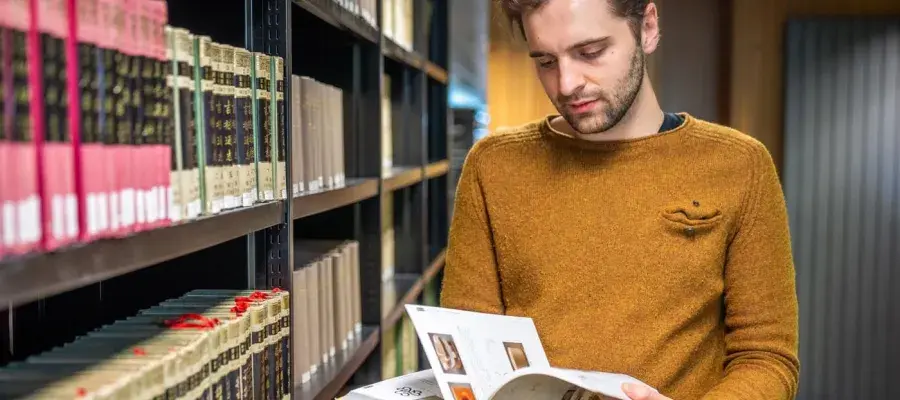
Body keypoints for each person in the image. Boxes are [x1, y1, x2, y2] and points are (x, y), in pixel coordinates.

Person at [438, 1, 800, 399]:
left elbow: (766, 358)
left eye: (589, 52)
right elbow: (468, 347)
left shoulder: (740, 165)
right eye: (545, 61)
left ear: (647, 26)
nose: (566, 84)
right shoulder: (493, 166)